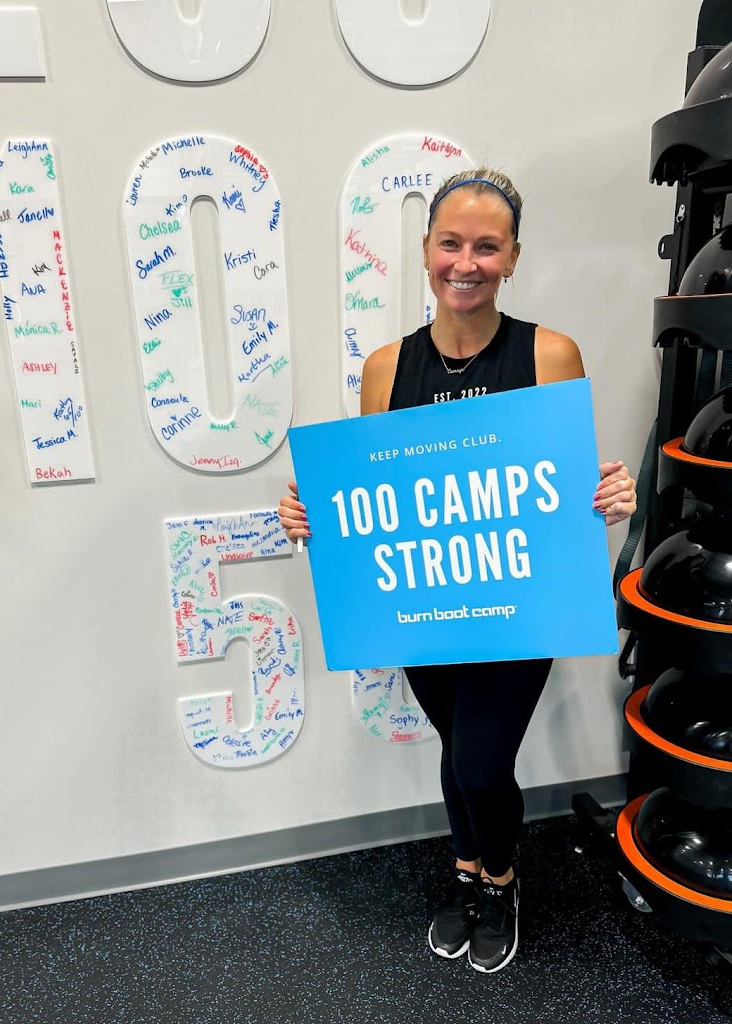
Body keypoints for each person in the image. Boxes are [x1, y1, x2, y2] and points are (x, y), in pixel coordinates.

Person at [277, 167, 637, 974]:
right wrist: (314, 515)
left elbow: (564, 486)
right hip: (425, 604)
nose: (465, 263)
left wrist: (610, 494)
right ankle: (467, 871)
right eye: (451, 243)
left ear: (513, 257)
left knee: (480, 759)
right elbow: (376, 496)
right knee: (454, 747)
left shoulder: (550, 353)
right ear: (426, 250)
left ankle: (502, 881)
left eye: (486, 246)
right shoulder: (386, 368)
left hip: (518, 605)